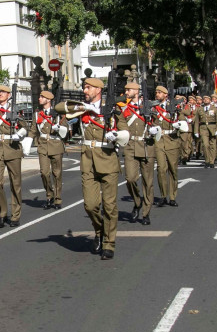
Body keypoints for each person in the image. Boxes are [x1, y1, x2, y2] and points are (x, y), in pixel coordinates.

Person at [78, 77, 121, 259]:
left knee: (109, 206)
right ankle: (100, 230)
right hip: (88, 161)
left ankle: (109, 243)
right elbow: (60, 109)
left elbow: (124, 129)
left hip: (108, 159)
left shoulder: (113, 109)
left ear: (98, 89)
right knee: (90, 205)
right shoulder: (80, 108)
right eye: (84, 88)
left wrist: (116, 135)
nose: (85, 91)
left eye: (88, 88)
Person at [0, 84, 25, 227]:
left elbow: (24, 127)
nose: (0, 94)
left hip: (13, 148)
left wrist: (18, 135)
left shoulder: (14, 109)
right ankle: (3, 212)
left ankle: (15, 215)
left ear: (9, 94)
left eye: (3, 92)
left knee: (16, 183)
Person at [119, 82, 152, 223]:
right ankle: (138, 202)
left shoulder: (149, 106)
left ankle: (146, 213)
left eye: (129, 90)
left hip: (146, 145)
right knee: (130, 178)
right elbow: (121, 123)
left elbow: (158, 121)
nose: (126, 92)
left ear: (137, 91)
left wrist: (155, 129)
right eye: (126, 89)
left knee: (147, 182)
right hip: (131, 145)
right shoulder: (123, 107)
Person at [29, 90, 66, 210]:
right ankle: (49, 195)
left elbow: (66, 129)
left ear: (48, 100)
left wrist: (59, 127)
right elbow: (33, 130)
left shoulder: (59, 113)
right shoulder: (37, 114)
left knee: (57, 173)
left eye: (42, 97)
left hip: (56, 145)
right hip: (43, 146)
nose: (39, 98)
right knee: (44, 172)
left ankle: (57, 198)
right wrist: (28, 140)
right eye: (39, 96)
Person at [152, 85, 182, 206]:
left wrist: (178, 123)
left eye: (159, 92)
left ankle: (173, 196)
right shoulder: (154, 108)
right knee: (161, 169)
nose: (157, 94)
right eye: (156, 92)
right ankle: (163, 195)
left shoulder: (173, 106)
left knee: (173, 169)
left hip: (172, 139)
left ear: (165, 94)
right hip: (159, 139)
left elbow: (183, 118)